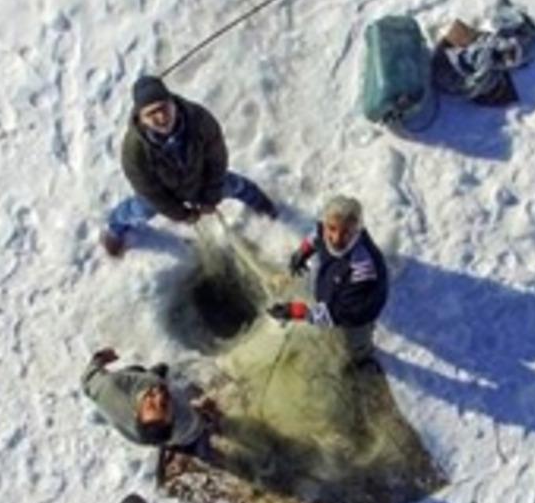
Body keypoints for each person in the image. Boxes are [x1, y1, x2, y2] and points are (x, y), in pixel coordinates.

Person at [102, 75, 278, 256]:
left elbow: (217, 158)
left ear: (173, 104)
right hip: (166, 191)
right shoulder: (133, 151)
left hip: (200, 177)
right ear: (141, 118)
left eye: (164, 107)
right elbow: (150, 191)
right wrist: (182, 214)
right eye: (152, 113)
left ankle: (265, 207)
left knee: (236, 186)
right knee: (139, 209)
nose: (161, 117)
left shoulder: (199, 119)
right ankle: (115, 229)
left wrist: (210, 196)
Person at [267, 195, 388, 365]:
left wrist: (298, 311)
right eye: (332, 228)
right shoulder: (324, 232)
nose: (337, 238)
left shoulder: (363, 269)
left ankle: (362, 356)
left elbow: (340, 313)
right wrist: (303, 252)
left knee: (356, 339)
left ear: (357, 230)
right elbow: (315, 236)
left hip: (357, 314)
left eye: (346, 232)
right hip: (335, 286)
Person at [81, 347, 219, 455]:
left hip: (123, 391)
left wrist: (99, 359)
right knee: (191, 435)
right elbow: (196, 424)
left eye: (151, 405)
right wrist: (204, 414)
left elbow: (87, 380)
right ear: (173, 419)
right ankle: (177, 446)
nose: (159, 395)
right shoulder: (184, 421)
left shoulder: (111, 386)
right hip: (164, 434)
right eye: (164, 405)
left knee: (144, 369)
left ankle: (103, 413)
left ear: (136, 413)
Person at [431, 0, 535, 106]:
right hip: (452, 70)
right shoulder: (488, 56)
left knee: (473, 41)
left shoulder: (489, 57)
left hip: (453, 70)